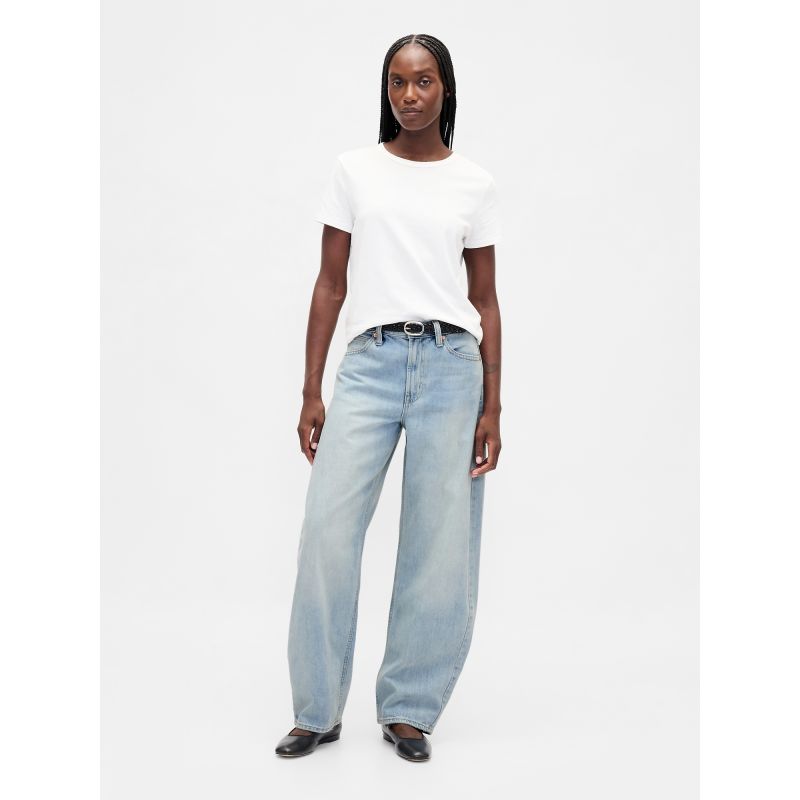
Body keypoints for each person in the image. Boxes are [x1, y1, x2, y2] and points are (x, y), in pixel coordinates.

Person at [275, 33, 503, 763]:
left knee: (438, 544)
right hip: (368, 365)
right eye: (398, 82)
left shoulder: (473, 183)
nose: (410, 95)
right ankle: (316, 709)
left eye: (424, 81)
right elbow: (330, 284)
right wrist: (311, 389)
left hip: (451, 367)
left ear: (446, 89)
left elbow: (485, 300)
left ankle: (409, 708)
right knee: (326, 532)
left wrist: (493, 406)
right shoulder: (354, 171)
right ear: (386, 90)